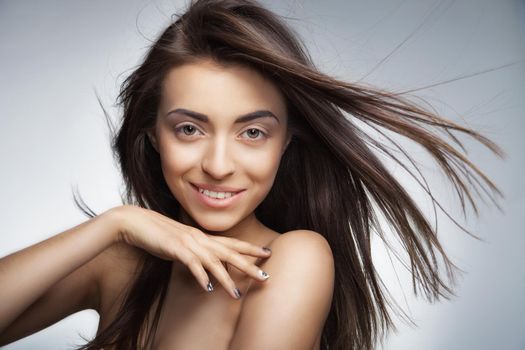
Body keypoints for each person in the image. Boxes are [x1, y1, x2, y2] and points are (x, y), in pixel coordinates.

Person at [0, 0, 503, 349]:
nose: (219, 165)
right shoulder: (120, 261)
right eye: (190, 128)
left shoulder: (292, 262)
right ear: (153, 134)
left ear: (287, 141)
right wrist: (110, 224)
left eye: (253, 133)